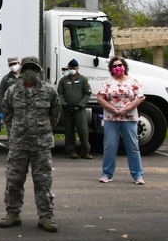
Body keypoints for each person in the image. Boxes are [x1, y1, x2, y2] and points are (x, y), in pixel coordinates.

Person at [0, 56, 63, 232]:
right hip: (19, 144)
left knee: (43, 182)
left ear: (39, 71)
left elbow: (56, 112)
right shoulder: (12, 91)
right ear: (21, 70)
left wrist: (46, 129)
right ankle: (13, 213)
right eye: (27, 68)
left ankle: (45, 216)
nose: (30, 72)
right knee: (14, 180)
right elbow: (7, 112)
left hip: (41, 144)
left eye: (33, 68)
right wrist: (14, 131)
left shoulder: (49, 91)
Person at [96, 56, 146, 185]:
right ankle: (107, 174)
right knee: (110, 147)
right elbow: (100, 98)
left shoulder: (133, 81)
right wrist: (113, 109)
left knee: (133, 147)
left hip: (129, 118)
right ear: (111, 69)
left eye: (119, 65)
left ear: (124, 67)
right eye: (114, 66)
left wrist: (126, 109)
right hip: (111, 118)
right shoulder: (107, 82)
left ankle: (138, 175)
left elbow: (139, 97)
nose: (117, 68)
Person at [56, 58, 93, 159]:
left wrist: (81, 104)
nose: (72, 69)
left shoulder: (83, 80)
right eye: (70, 67)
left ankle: (85, 152)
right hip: (67, 109)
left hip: (79, 109)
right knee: (68, 131)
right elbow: (59, 94)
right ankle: (71, 151)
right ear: (68, 68)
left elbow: (87, 93)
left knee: (83, 131)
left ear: (78, 68)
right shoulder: (63, 80)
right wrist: (64, 104)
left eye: (74, 68)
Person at [0, 55, 22, 136]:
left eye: (14, 63)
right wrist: (0, 110)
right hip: (10, 110)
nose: (13, 66)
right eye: (11, 65)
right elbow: (1, 95)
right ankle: (12, 148)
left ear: (19, 63)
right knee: (11, 133)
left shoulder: (26, 77)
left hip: (24, 110)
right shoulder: (6, 79)